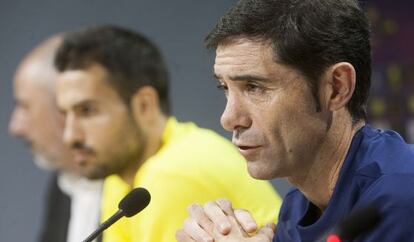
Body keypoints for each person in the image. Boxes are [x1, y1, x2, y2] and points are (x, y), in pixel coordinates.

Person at [175, 0, 414, 241]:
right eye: (224, 87)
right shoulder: (296, 206)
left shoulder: (401, 198)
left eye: (255, 87)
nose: (229, 119)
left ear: (336, 88)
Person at [54, 25, 281, 242]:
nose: (70, 136)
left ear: (144, 105)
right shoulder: (123, 178)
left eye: (87, 111)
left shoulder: (172, 175)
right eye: (65, 114)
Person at [9, 35, 103, 242]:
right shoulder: (64, 184)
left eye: (25, 106)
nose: (14, 127)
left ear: (64, 107)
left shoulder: (136, 189)